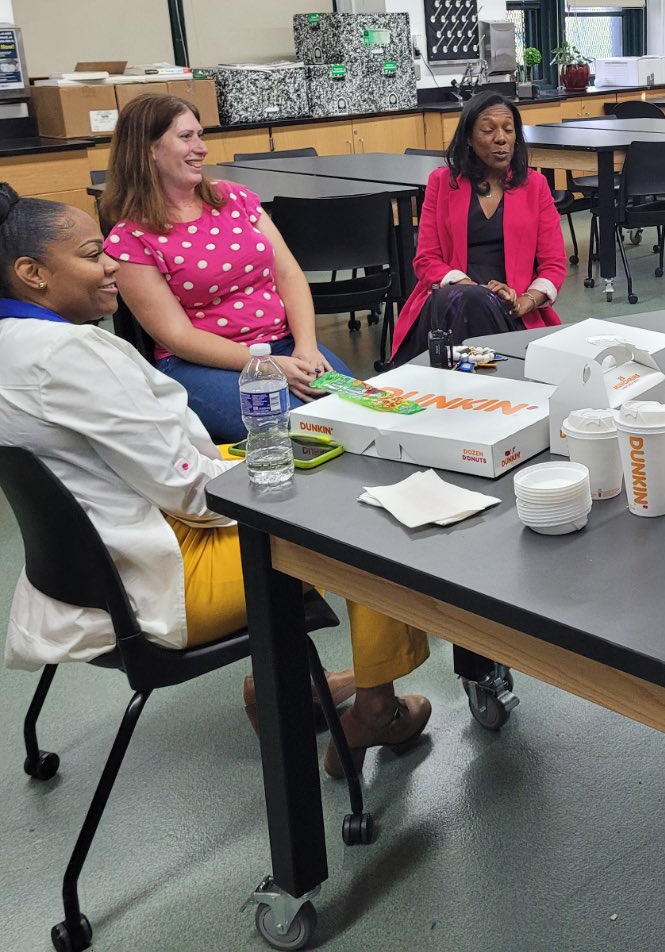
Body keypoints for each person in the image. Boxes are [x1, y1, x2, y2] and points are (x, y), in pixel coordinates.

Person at [0, 184, 431, 776]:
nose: (111, 266)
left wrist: (259, 456)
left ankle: (286, 682)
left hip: (86, 571)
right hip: (163, 574)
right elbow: (196, 495)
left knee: (308, 467)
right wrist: (288, 468)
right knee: (362, 518)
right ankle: (377, 712)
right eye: (93, 255)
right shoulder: (72, 354)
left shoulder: (15, 345)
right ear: (32, 274)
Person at [101, 93, 351, 443]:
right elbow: (177, 336)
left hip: (285, 345)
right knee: (297, 434)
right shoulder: (131, 239)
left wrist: (307, 346)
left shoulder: (234, 197)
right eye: (186, 137)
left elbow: (289, 274)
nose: (201, 148)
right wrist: (266, 366)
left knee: (356, 412)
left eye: (200, 135)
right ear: (148, 149)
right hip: (203, 364)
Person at [390, 90, 566, 363]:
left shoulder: (535, 186)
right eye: (488, 130)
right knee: (470, 300)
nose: (501, 138)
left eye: (508, 129)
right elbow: (426, 260)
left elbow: (553, 264)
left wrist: (524, 301)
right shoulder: (442, 183)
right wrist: (468, 286)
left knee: (479, 305)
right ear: (469, 139)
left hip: (512, 308)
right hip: (448, 300)